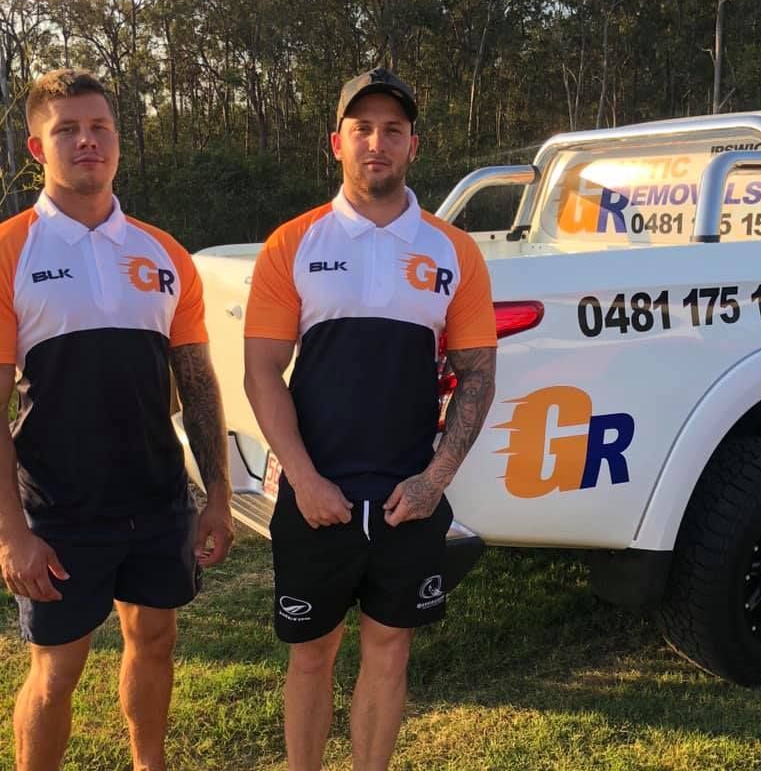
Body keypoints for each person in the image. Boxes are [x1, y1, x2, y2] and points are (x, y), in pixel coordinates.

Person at [244, 67, 497, 771]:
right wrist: (302, 479)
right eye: (362, 129)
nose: (376, 142)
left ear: (414, 144)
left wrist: (433, 482)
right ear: (337, 143)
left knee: (389, 652)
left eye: (392, 129)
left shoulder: (455, 251)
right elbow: (261, 371)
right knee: (311, 657)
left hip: (404, 502)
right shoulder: (293, 244)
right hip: (316, 497)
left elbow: (478, 376)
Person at [0, 68, 234, 771]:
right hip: (60, 508)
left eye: (99, 127)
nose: (87, 141)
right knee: (58, 670)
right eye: (67, 129)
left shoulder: (163, 253)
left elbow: (197, 382)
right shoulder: (11, 250)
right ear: (39, 148)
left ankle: (148, 764)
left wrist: (216, 493)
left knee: (155, 638)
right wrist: (11, 532)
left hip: (156, 499)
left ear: (118, 141)